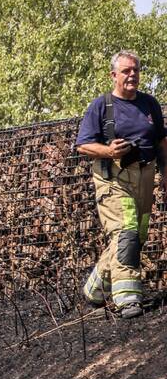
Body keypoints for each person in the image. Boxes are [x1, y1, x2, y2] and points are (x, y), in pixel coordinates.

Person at [76, 50, 167, 319]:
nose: (132, 75)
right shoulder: (101, 106)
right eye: (126, 71)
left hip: (145, 176)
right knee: (126, 231)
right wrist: (109, 151)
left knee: (134, 235)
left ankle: (95, 288)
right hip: (113, 178)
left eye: (136, 70)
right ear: (113, 75)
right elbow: (83, 144)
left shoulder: (149, 104)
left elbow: (162, 143)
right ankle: (128, 299)